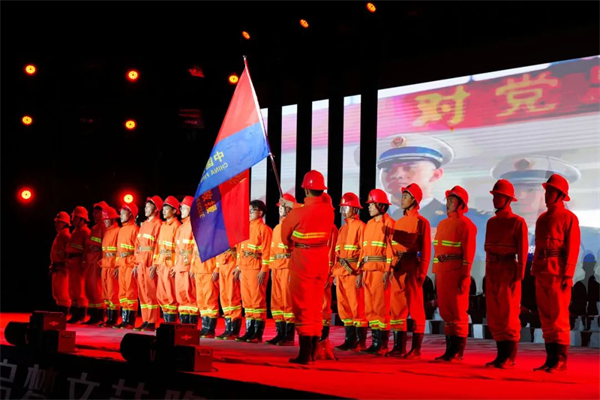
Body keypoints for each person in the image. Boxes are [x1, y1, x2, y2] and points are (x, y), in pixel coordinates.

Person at [368, 133, 491, 292]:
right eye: (387, 168)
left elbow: (477, 270)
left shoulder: (475, 221)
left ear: (436, 174)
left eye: (409, 167)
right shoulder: (367, 221)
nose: (397, 174)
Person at [280, 170, 335, 364]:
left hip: (302, 261)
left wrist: (294, 207)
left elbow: (285, 237)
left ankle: (305, 354)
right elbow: (320, 204)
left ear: (305, 189)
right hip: (320, 261)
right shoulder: (328, 211)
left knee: (302, 306)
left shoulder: (297, 213)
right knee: (315, 306)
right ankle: (312, 351)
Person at [532, 174, 580, 373]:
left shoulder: (569, 218)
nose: (546, 195)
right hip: (543, 271)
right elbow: (538, 246)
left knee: (558, 316)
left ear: (561, 195)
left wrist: (568, 274)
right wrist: (534, 270)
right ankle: (550, 358)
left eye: (551, 191)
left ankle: (560, 360)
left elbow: (573, 247)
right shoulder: (542, 218)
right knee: (546, 317)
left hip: (557, 272)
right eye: (546, 191)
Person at [484, 179, 528, 368]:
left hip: (508, 270)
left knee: (509, 313)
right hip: (493, 270)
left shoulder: (518, 222)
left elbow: (523, 251)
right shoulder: (491, 222)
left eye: (499, 196)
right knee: (495, 314)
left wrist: (520, 273)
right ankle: (501, 355)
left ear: (508, 199)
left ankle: (509, 356)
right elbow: (488, 251)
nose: (495, 200)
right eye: (495, 196)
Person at [433, 186, 476, 362]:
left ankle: (457, 351)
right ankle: (449, 350)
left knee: (458, 311)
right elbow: (438, 250)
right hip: (442, 272)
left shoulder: (466, 225)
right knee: (446, 311)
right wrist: (436, 272)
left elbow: (469, 253)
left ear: (461, 204)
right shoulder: (442, 224)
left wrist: (465, 276)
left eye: (453, 200)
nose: (449, 203)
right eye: (448, 200)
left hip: (456, 272)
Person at [388, 183, 431, 359]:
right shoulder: (398, 222)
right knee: (396, 307)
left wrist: (423, 271)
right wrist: (391, 265)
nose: (402, 199)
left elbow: (426, 249)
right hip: (398, 267)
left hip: (412, 265)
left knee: (415, 307)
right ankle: (399, 347)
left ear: (414, 200)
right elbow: (392, 247)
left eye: (406, 196)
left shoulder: (422, 222)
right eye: (403, 196)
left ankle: (416, 349)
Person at [358, 189, 395, 356]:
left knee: (381, 307)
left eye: (372, 204)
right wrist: (360, 271)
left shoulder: (389, 223)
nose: (369, 207)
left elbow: (391, 249)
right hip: (367, 270)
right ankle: (374, 343)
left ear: (381, 206)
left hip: (380, 271)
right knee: (370, 308)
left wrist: (388, 270)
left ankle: (382, 345)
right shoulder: (369, 225)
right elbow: (363, 250)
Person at [332, 192, 368, 351]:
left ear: (354, 209)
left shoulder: (361, 227)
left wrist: (360, 273)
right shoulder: (343, 229)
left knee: (357, 306)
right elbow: (337, 253)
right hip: (341, 272)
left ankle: (360, 341)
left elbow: (364, 252)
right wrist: (335, 273)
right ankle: (349, 339)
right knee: (344, 307)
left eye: (345, 208)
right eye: (342, 208)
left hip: (353, 272)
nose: (343, 211)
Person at [234, 200, 272, 344]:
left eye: (252, 210)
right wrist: (238, 267)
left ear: (260, 213)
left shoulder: (264, 229)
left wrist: (264, 269)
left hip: (256, 269)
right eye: (249, 210)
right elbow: (239, 249)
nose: (249, 213)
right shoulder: (245, 229)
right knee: (247, 301)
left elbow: (267, 251)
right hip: (245, 268)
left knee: (257, 301)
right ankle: (249, 331)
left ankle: (257, 333)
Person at [266, 193, 297, 346]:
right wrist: (272, 268)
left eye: (283, 207)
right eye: (279, 207)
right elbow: (272, 252)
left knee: (287, 300)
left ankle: (288, 336)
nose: (280, 209)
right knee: (277, 301)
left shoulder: (294, 226)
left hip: (288, 267)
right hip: (277, 268)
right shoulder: (277, 228)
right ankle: (280, 333)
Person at [133, 196, 163, 331]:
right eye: (145, 206)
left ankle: (152, 321)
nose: (145, 209)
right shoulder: (144, 224)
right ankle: (145, 320)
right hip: (141, 261)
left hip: (150, 260)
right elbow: (137, 245)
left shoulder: (158, 224)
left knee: (151, 292)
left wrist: (155, 264)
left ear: (156, 209)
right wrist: (136, 263)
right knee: (142, 292)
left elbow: (158, 246)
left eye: (148, 207)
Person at [112, 203, 140, 329]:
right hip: (122, 265)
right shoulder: (121, 230)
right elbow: (118, 251)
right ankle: (124, 320)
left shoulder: (135, 229)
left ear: (131, 214)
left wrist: (135, 264)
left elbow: (137, 249)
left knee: (130, 292)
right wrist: (117, 265)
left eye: (123, 213)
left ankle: (130, 321)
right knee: (122, 293)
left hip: (130, 264)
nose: (120, 215)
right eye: (121, 213)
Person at [155, 196, 182, 322]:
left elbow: (179, 248)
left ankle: (171, 323)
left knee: (171, 294)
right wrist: (156, 263)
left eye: (167, 209)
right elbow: (158, 247)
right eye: (163, 209)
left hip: (170, 264)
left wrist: (175, 265)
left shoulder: (176, 226)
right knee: (162, 294)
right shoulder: (163, 226)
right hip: (162, 263)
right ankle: (166, 322)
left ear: (175, 211)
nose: (164, 211)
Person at [82, 201, 108, 325]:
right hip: (90, 262)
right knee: (90, 289)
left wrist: (102, 264)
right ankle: (93, 315)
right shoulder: (95, 228)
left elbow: (105, 247)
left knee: (97, 290)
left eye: (97, 213)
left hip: (97, 262)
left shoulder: (103, 227)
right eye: (94, 212)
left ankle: (99, 315)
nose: (94, 215)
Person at [174, 196, 198, 325]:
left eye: (184, 208)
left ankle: (191, 325)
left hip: (188, 266)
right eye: (181, 208)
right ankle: (184, 325)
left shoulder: (195, 226)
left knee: (191, 296)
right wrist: (175, 266)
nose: (181, 210)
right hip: (180, 267)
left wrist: (193, 266)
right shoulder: (181, 228)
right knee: (181, 295)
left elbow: (195, 249)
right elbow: (177, 250)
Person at [65, 206, 91, 323]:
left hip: (79, 263)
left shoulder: (85, 232)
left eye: (75, 217)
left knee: (80, 290)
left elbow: (87, 249)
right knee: (72, 290)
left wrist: (84, 262)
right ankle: (75, 314)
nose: (73, 219)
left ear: (82, 219)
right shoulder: (75, 231)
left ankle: (80, 315)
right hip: (73, 263)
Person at [98, 207, 121, 327]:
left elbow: (119, 250)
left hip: (112, 265)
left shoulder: (118, 231)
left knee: (113, 293)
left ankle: (113, 319)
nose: (105, 222)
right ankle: (109, 318)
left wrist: (117, 265)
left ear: (113, 219)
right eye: (104, 220)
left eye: (107, 219)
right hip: (105, 265)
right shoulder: (107, 232)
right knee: (106, 293)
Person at [215, 247, 242, 340]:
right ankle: (228, 328)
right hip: (223, 265)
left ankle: (234, 330)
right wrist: (217, 268)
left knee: (233, 297)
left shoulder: (236, 237)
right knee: (224, 298)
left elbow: (240, 249)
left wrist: (238, 266)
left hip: (232, 265)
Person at [49, 211, 72, 316]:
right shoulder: (59, 236)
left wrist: (64, 265)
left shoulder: (66, 236)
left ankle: (64, 313)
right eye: (56, 222)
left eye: (59, 222)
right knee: (57, 292)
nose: (56, 224)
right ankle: (60, 313)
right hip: (57, 268)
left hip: (63, 269)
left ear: (65, 223)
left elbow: (70, 254)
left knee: (63, 293)